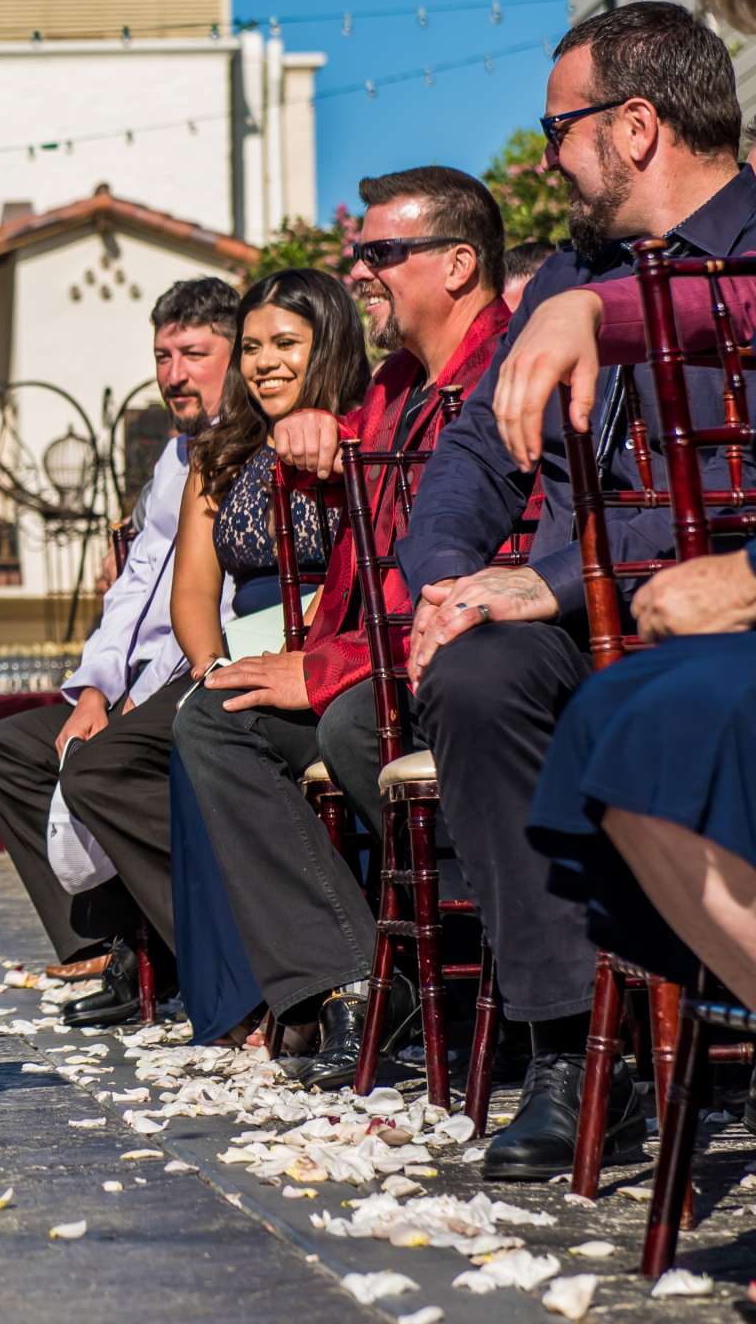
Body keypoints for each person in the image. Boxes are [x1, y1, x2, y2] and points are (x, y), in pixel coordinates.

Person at [396, 2, 747, 1178]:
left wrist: (539, 579)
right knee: (479, 672)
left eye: (560, 129)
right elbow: (467, 466)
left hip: (716, 607)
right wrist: (450, 585)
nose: (545, 157)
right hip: (567, 610)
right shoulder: (565, 276)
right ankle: (567, 1046)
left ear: (636, 125)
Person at [177, 184, 510, 1086]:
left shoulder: (503, 374)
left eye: (384, 256)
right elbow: (343, 482)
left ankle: (490, 954)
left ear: (458, 264)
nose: (363, 271)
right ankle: (356, 977)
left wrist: (323, 669)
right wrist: (313, 432)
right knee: (214, 717)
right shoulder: (397, 384)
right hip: (363, 659)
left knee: (349, 720)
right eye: (362, 254)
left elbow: (466, 576)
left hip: (453, 656)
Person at [0, 277, 237, 1027]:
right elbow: (133, 589)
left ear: (236, 355)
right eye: (162, 355)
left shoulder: (252, 449)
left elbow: (219, 602)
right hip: (138, 679)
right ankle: (107, 938)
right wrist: (93, 690)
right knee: (7, 751)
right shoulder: (172, 461)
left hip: (199, 672)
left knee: (104, 764)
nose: (173, 373)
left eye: (193, 353)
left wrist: (141, 697)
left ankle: (211, 956)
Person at [162, 266, 368, 1046]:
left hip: (339, 646)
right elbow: (192, 592)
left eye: (286, 342)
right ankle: (252, 991)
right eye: (250, 347)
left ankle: (322, 984)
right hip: (247, 646)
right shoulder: (219, 453)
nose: (263, 362)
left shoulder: (361, 430)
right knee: (202, 719)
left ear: (331, 344)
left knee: (209, 730)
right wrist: (210, 663)